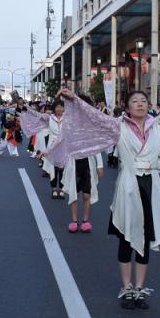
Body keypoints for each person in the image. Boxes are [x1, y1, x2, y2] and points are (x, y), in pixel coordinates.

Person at [50, 88, 160, 309]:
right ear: (127, 106)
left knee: (146, 238)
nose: (140, 103)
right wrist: (74, 99)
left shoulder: (158, 129)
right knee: (126, 239)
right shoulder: (118, 126)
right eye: (135, 101)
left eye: (143, 101)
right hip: (128, 187)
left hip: (150, 186)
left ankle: (139, 288)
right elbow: (95, 116)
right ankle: (126, 287)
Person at [61, 94, 104, 232]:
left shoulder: (92, 124)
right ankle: (74, 221)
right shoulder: (69, 122)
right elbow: (62, 140)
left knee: (87, 194)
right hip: (73, 161)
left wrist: (99, 165)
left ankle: (85, 221)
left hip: (88, 162)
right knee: (73, 194)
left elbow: (96, 144)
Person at [42, 100, 66, 198]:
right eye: (57, 107)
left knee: (62, 169)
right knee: (53, 169)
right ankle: (53, 189)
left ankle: (60, 188)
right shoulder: (49, 118)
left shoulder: (67, 118)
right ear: (54, 108)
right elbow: (37, 117)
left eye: (61, 107)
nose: (59, 109)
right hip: (52, 147)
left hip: (64, 147)